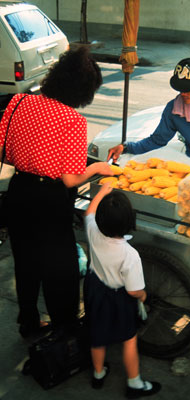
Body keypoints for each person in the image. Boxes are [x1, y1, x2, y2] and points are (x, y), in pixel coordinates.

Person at [0, 46, 113, 338]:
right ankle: (64, 332)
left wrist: (33, 160)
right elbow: (70, 178)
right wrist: (98, 168)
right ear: (83, 90)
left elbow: (6, 154)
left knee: (25, 262)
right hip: (50, 201)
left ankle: (29, 322)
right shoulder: (73, 121)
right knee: (58, 267)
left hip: (18, 191)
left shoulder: (19, 102)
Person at [83, 182, 161, 398]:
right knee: (129, 339)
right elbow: (134, 291)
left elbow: (88, 213)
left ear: (100, 220)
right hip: (118, 298)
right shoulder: (130, 255)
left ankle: (98, 374)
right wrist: (143, 296)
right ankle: (134, 383)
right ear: (129, 222)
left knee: (97, 336)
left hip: (95, 291)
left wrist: (101, 194)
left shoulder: (92, 231)